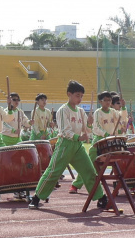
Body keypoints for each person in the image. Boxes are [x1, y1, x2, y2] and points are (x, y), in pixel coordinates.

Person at [28, 80, 101, 210]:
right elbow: (65, 130)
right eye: (77, 95)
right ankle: (37, 197)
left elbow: (88, 130)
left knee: (89, 170)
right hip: (65, 145)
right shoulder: (63, 110)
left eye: (81, 96)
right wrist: (79, 136)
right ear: (69, 94)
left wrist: (90, 124)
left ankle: (101, 198)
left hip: (77, 146)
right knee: (53, 172)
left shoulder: (81, 112)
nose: (80, 99)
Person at [70, 91, 117, 194]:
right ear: (100, 101)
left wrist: (124, 110)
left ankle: (122, 184)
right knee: (89, 165)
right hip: (99, 142)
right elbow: (96, 128)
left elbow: (121, 121)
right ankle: (76, 185)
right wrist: (106, 134)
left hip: (111, 142)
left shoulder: (113, 112)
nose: (108, 102)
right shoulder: (98, 113)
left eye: (110, 100)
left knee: (117, 162)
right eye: (105, 100)